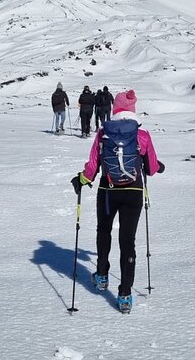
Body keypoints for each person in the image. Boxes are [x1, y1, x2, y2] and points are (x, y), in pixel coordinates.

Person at [70, 89, 165, 313]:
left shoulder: (104, 133)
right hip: (133, 192)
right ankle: (124, 295)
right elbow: (151, 169)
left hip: (108, 190)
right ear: (132, 111)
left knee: (104, 230)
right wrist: (158, 166)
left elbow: (92, 167)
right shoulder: (142, 135)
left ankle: (102, 275)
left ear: (115, 110)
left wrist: (82, 179)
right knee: (127, 241)